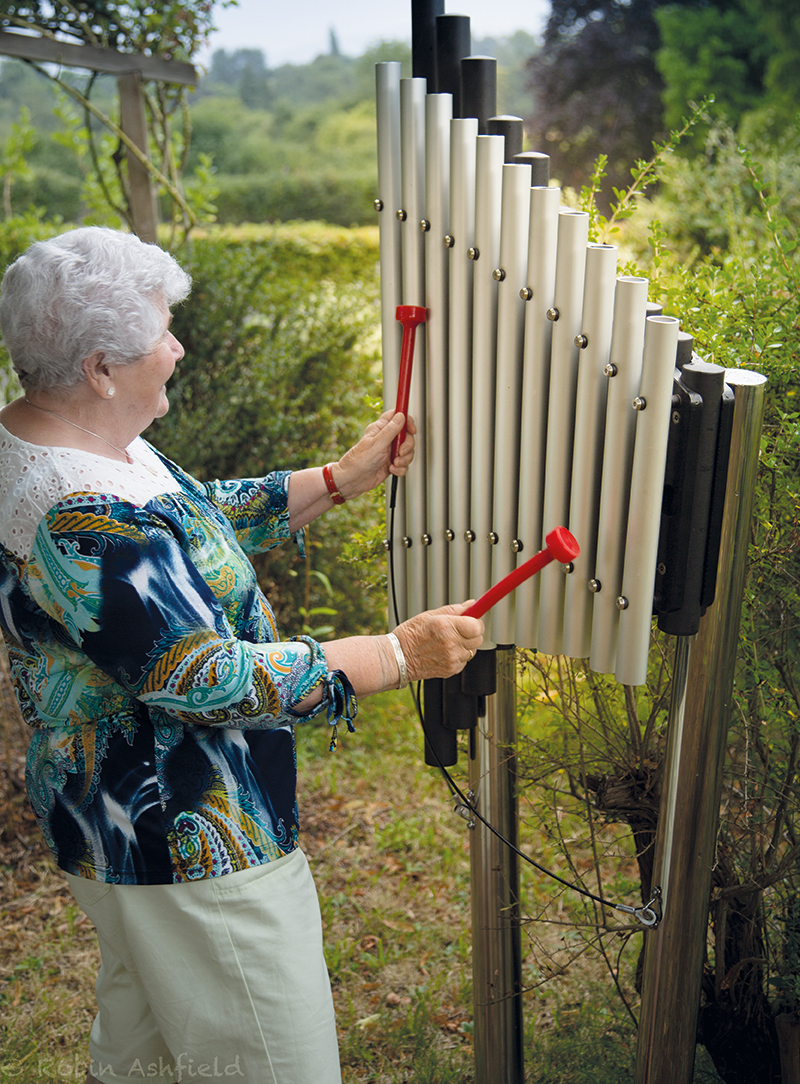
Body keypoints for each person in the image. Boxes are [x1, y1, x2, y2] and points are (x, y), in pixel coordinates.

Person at [0, 227, 484, 1084]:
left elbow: (190, 524)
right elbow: (201, 678)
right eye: (162, 335)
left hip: (125, 836)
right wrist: (395, 655)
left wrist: (337, 477)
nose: (179, 347)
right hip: (183, 837)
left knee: (146, 1054)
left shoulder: (83, 440)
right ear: (102, 367)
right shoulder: (72, 510)